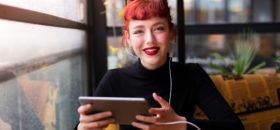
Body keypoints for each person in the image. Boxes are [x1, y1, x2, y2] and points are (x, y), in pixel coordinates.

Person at [77, 0, 244, 130]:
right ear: (128, 38)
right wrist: (83, 127)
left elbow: (234, 127)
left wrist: (179, 124)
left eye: (158, 28)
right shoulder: (115, 79)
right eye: (139, 31)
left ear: (172, 32)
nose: (150, 39)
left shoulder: (192, 74)